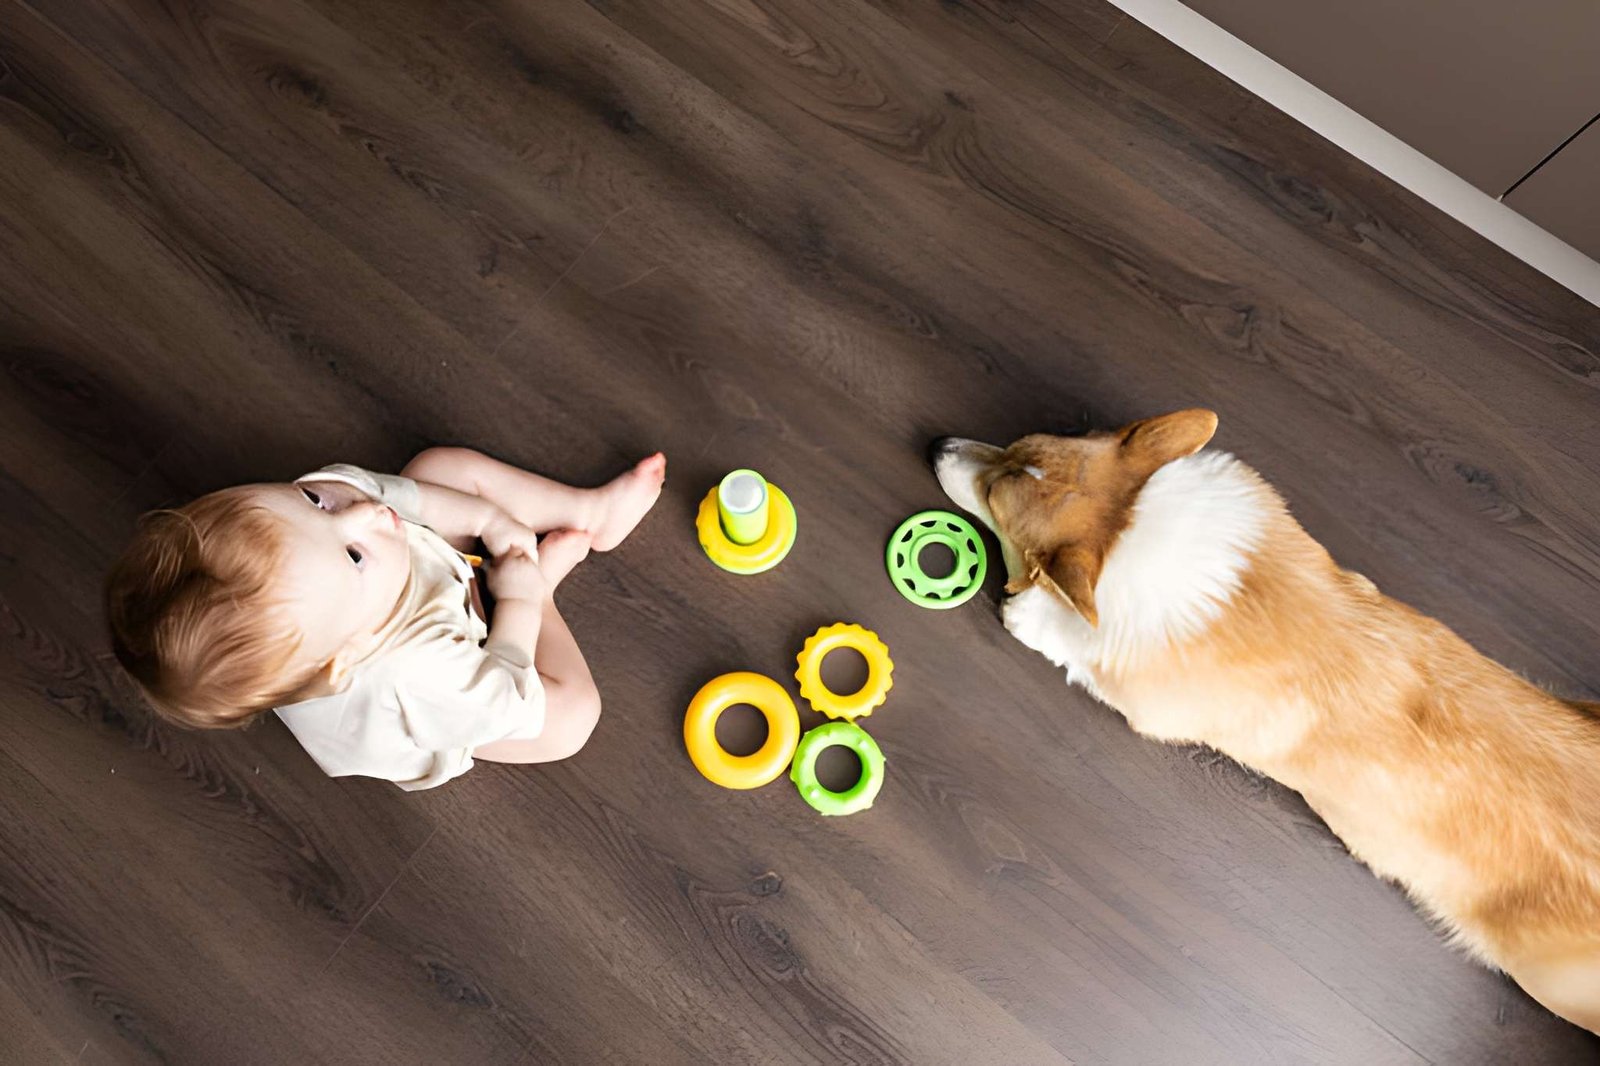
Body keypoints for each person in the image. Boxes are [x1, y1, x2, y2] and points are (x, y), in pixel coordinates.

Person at [104, 447, 666, 790]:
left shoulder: (331, 521)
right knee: (570, 719)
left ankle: (590, 512)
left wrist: (489, 519)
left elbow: (380, 496)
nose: (366, 514)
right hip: (464, 699)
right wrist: (521, 596)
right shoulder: (416, 675)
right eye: (353, 555)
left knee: (437, 469)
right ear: (347, 649)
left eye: (311, 502)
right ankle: (545, 588)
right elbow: (504, 697)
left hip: (425, 580)